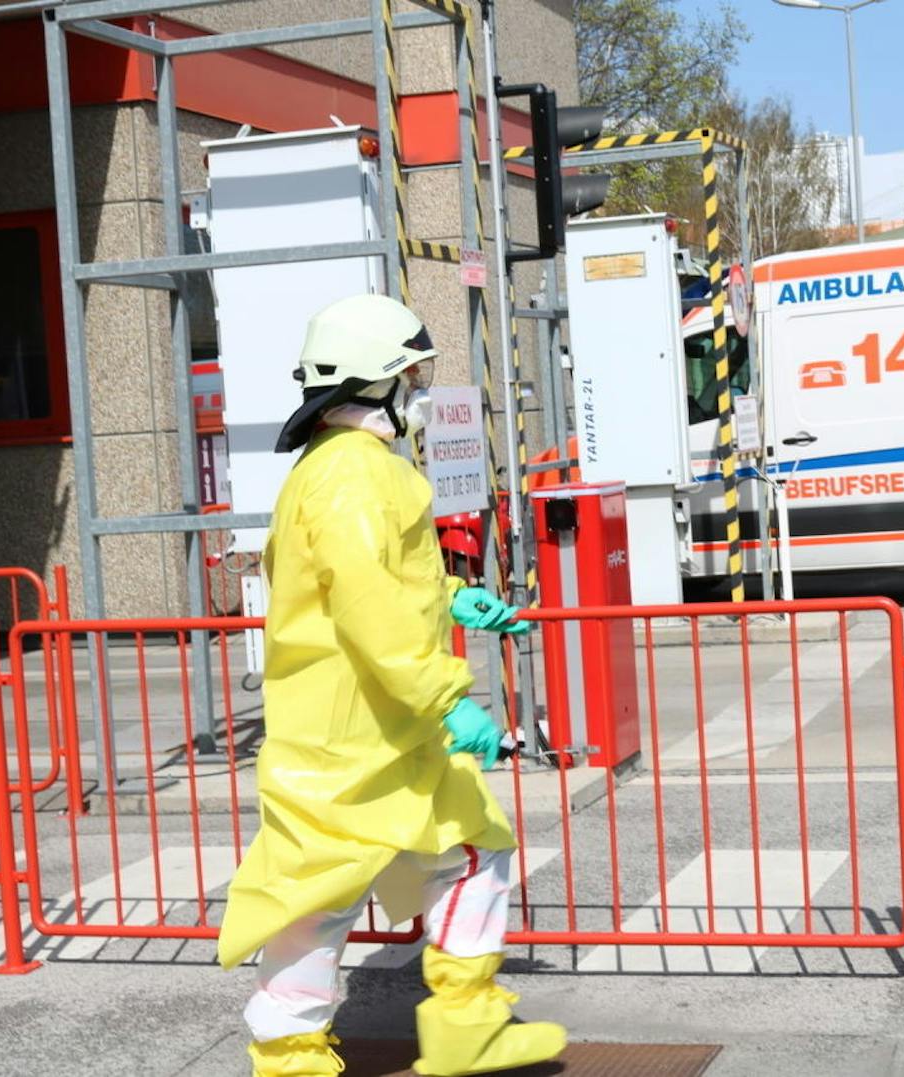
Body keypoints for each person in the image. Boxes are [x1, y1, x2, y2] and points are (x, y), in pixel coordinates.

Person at [217, 293, 565, 1077]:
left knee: (448, 853)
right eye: (413, 374)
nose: (420, 389)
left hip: (353, 732)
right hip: (363, 735)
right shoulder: (357, 475)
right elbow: (370, 607)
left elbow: (356, 585)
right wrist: (448, 699)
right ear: (377, 383)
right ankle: (328, 1049)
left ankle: (437, 1028)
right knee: (323, 903)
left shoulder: (330, 471)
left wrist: (449, 597)